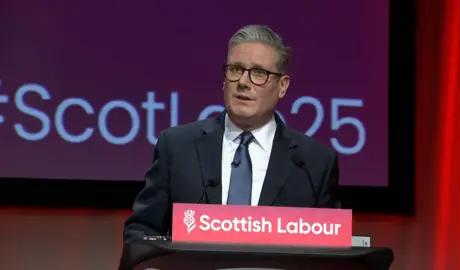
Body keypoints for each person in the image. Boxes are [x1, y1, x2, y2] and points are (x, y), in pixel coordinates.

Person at [123, 24, 341, 243]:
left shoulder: (314, 163)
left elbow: (331, 249)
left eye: (259, 73)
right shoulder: (178, 147)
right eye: (235, 69)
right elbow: (142, 229)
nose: (243, 83)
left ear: (282, 86)